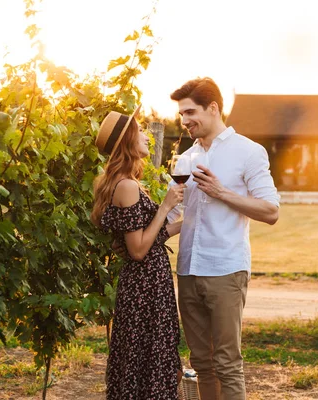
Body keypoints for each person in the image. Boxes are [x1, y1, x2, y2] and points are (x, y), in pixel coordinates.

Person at [169, 78, 280, 400]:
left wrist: (221, 193)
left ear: (213, 108)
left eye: (190, 112)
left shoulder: (248, 152)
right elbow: (179, 218)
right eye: (181, 114)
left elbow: (270, 211)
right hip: (188, 270)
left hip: (226, 270)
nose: (184, 120)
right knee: (201, 362)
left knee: (227, 362)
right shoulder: (185, 160)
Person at [91, 107, 186, 399]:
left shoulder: (126, 183)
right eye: (140, 131)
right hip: (145, 288)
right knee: (147, 365)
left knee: (143, 363)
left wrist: (189, 221)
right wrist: (167, 207)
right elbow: (138, 250)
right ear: (127, 141)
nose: (146, 136)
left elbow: (152, 236)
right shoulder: (128, 186)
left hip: (147, 286)